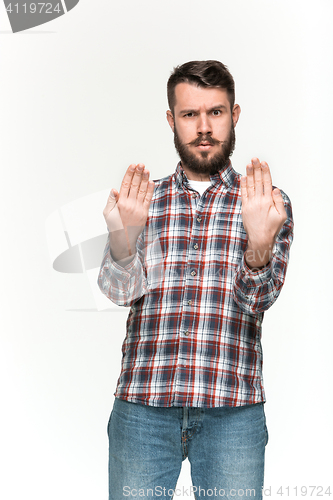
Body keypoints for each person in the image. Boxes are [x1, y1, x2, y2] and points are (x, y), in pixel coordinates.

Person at [98, 60, 293, 500]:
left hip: (232, 410)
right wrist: (123, 242)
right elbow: (118, 293)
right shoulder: (144, 202)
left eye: (216, 113)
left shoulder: (264, 203)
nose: (204, 127)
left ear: (234, 114)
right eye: (190, 114)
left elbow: (257, 301)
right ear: (172, 119)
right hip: (143, 408)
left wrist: (259, 246)